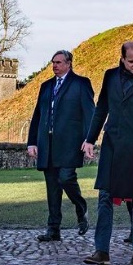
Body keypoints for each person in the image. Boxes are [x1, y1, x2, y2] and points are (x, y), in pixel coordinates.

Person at [82, 41, 133, 265]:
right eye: (131, 61)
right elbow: (101, 109)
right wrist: (90, 139)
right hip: (111, 145)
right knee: (105, 196)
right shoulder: (110, 77)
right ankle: (102, 251)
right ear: (122, 59)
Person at [27, 49, 95, 242]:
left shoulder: (81, 84)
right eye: (53, 63)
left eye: (58, 62)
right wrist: (32, 141)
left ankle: (80, 207)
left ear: (68, 63)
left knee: (66, 178)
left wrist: (89, 139)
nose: (55, 66)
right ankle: (53, 229)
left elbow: (90, 113)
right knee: (52, 187)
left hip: (70, 143)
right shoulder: (46, 86)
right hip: (46, 144)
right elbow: (37, 115)